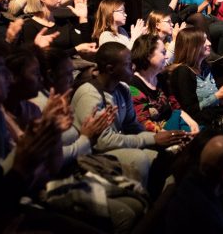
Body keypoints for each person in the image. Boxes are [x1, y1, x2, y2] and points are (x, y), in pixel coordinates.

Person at [71, 42, 188, 186]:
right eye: (127, 64)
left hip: (112, 146)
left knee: (167, 156)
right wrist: (152, 140)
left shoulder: (123, 88)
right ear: (110, 69)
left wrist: (161, 138)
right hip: (90, 154)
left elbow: (133, 126)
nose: (132, 67)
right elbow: (103, 142)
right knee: (139, 158)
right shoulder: (90, 94)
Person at [129, 34, 199, 133]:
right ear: (148, 55)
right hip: (156, 136)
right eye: (163, 52)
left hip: (172, 126)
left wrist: (192, 122)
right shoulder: (133, 85)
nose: (166, 57)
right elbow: (144, 124)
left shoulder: (160, 77)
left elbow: (175, 106)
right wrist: (178, 134)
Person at [168, 27, 223, 127]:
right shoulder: (182, 72)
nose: (209, 43)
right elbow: (190, 110)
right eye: (204, 41)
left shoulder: (205, 67)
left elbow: (210, 102)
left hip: (214, 118)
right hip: (197, 124)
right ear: (192, 46)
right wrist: (217, 96)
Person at [20, 0, 96, 54]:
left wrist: (83, 18)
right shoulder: (29, 26)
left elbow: (86, 48)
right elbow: (37, 59)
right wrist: (76, 49)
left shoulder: (63, 23)